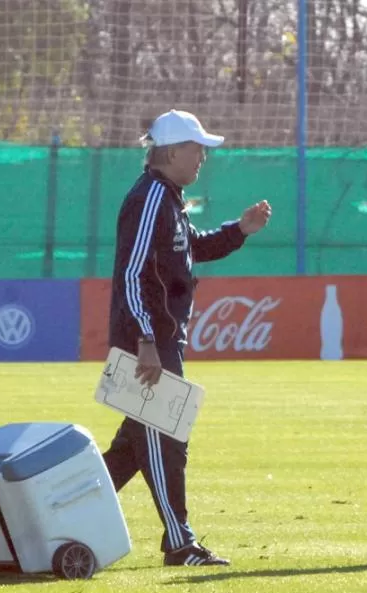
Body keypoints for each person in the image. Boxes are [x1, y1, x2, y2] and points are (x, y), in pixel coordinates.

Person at [102, 109, 272, 566]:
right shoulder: (151, 198)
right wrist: (144, 341)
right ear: (172, 152)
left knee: (131, 450)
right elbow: (133, 274)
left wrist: (239, 231)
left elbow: (190, 247)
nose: (203, 158)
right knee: (165, 441)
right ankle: (179, 542)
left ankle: (58, 511)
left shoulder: (167, 198)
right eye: (197, 150)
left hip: (156, 342)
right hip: (148, 345)